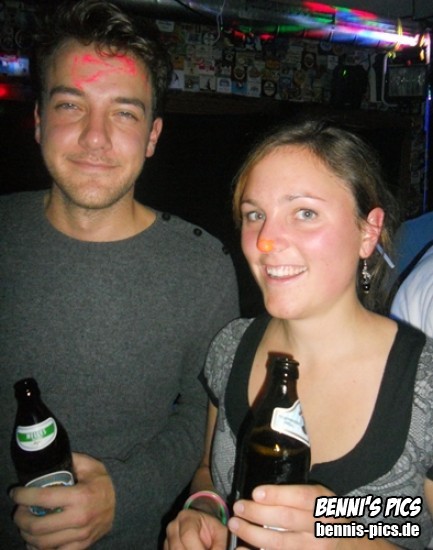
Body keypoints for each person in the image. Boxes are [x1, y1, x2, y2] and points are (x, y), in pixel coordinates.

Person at [0, 1, 239, 548]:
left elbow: (200, 418)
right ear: (38, 120)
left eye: (124, 113)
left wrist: (126, 492)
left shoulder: (202, 268)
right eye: (70, 105)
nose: (95, 137)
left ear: (153, 136)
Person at [164, 119, 433, 550]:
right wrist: (205, 511)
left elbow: (414, 526)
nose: (266, 242)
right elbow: (210, 474)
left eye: (305, 213)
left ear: (368, 232)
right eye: (255, 215)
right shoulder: (231, 347)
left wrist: (339, 535)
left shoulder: (424, 382)